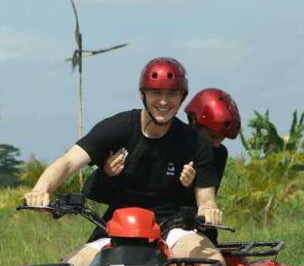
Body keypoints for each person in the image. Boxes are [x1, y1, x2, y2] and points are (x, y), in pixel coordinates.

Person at [23, 57, 224, 266]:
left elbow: (206, 199)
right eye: (156, 92)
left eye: (172, 93)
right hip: (117, 227)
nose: (164, 101)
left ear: (182, 97)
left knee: (213, 263)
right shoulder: (117, 127)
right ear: (142, 94)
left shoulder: (195, 142)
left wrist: (208, 210)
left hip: (172, 227)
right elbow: (68, 162)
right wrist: (41, 189)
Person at [103, 87, 241, 243]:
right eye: (212, 136)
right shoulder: (172, 141)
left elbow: (205, 201)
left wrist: (190, 187)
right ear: (193, 121)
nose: (216, 144)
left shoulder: (218, 153)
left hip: (186, 227)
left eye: (221, 139)